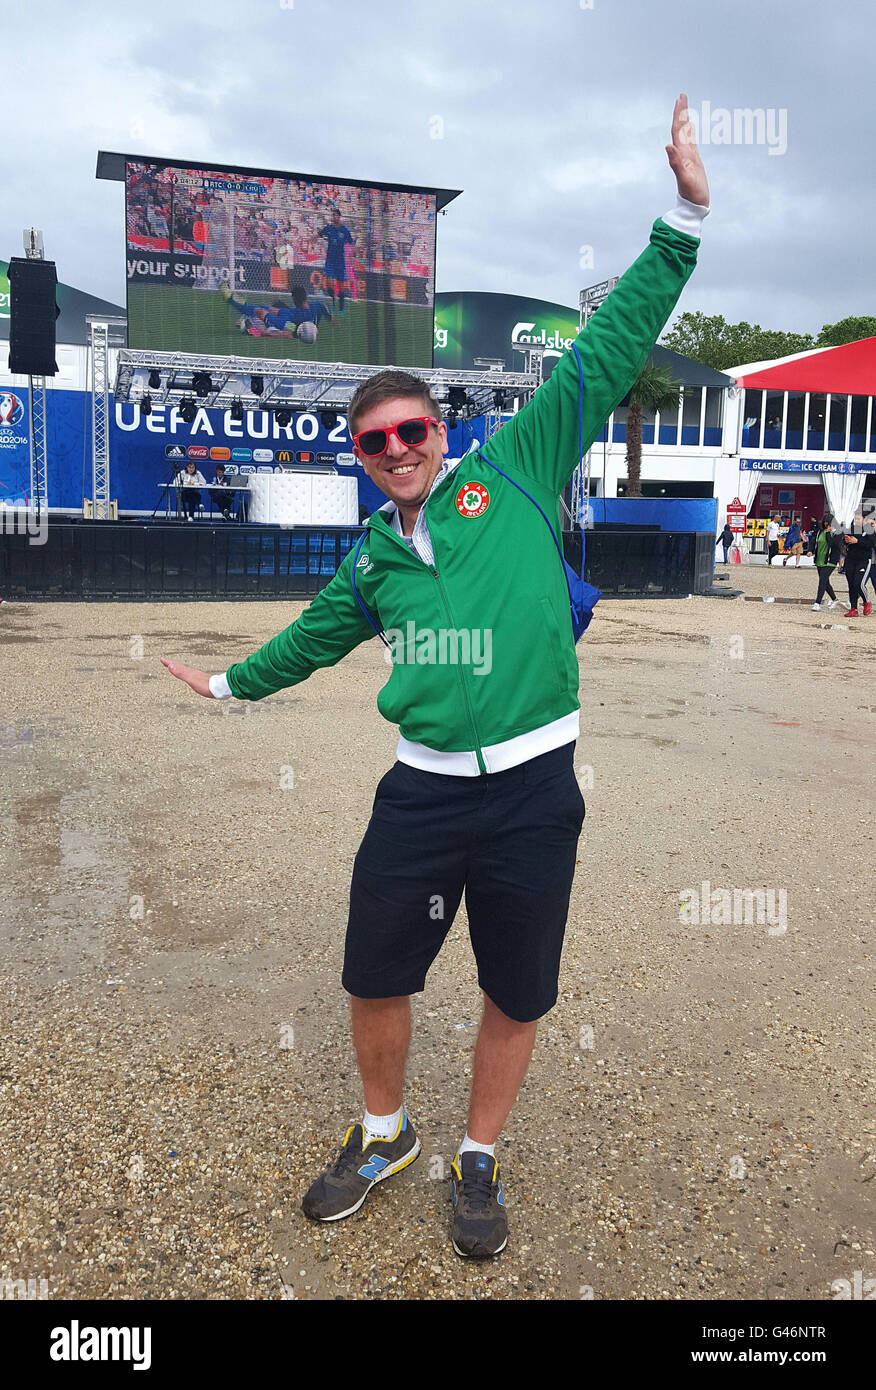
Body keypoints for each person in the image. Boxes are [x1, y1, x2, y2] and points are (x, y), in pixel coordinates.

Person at [161, 93, 709, 1260]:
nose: (401, 449)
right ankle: (384, 1132)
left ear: (439, 431)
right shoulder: (367, 564)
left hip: (532, 789)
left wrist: (682, 217)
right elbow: (305, 642)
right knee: (374, 971)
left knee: (517, 990)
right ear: (359, 461)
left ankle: (478, 1158)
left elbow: (608, 354)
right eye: (377, 442)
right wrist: (224, 689)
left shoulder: (513, 468)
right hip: (419, 794)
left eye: (414, 430)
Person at [319, 209, 354, 318]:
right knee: (329, 284)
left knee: (341, 287)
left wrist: (353, 253)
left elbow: (351, 243)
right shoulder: (329, 228)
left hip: (340, 262)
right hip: (330, 261)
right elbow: (319, 234)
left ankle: (341, 309)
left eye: (334, 215)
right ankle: (333, 301)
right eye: (332, 215)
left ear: (339, 217)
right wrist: (312, 238)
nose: (332, 217)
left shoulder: (344, 230)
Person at [840, 521, 875, 617]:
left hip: (863, 560)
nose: (857, 519)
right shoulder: (851, 528)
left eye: (859, 517)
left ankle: (866, 602)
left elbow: (871, 544)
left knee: (858, 583)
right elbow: (844, 541)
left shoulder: (869, 529)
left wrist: (858, 541)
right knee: (851, 584)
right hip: (850, 559)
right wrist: (846, 540)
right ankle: (853, 609)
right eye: (855, 517)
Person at [811, 518, 842, 611]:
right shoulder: (820, 532)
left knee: (822, 581)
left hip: (830, 561)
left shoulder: (838, 533)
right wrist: (810, 551)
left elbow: (833, 544)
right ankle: (835, 599)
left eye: (829, 523)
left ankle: (817, 603)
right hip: (820, 560)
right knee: (825, 582)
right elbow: (814, 542)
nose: (827, 525)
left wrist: (829, 533)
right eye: (825, 522)